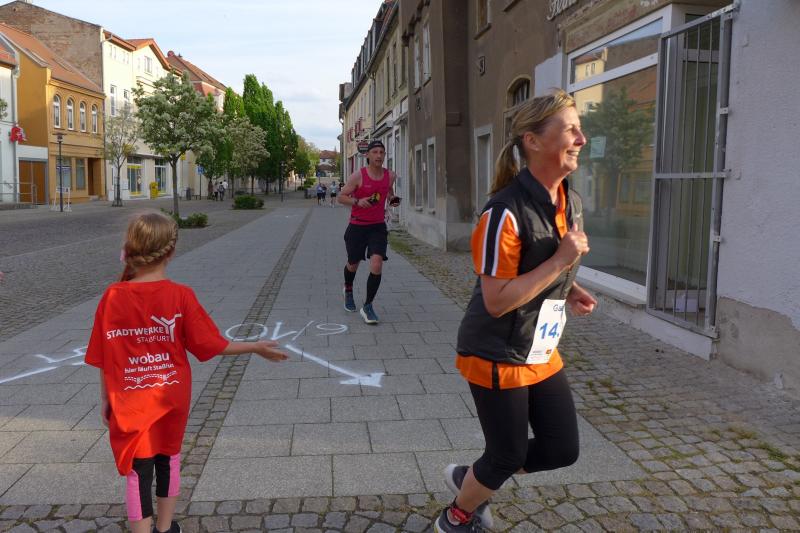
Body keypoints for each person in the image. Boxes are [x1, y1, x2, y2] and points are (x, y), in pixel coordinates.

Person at [435, 90, 597, 533]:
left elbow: (537, 263)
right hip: (496, 352)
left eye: (580, 129)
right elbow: (497, 299)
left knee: (561, 448)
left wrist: (569, 287)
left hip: (538, 346)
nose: (581, 138)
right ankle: (457, 515)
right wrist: (562, 263)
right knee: (505, 454)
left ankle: (471, 479)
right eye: (570, 129)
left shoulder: (569, 200)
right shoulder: (503, 212)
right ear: (533, 141)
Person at [85, 211, 288, 533]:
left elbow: (104, 355)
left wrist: (106, 399)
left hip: (129, 400)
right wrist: (254, 347)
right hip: (171, 396)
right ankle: (166, 528)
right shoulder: (180, 295)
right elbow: (211, 344)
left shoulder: (112, 297)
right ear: (171, 251)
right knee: (169, 460)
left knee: (138, 471)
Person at [338, 140, 399, 324]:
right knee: (353, 263)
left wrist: (393, 199)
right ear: (368, 155)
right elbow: (341, 197)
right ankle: (348, 289)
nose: (379, 155)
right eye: (375, 152)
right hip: (357, 226)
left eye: (382, 152)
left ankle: (368, 306)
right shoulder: (358, 176)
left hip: (378, 226)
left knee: (377, 263)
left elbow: (388, 191)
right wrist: (357, 201)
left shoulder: (390, 175)